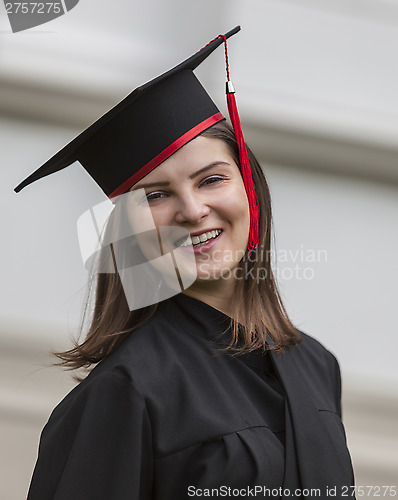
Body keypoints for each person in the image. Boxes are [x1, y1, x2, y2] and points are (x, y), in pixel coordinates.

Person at [15, 27, 356, 500]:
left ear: (249, 187)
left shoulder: (316, 366)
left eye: (211, 179)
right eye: (156, 195)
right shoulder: (125, 393)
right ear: (131, 229)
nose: (192, 211)